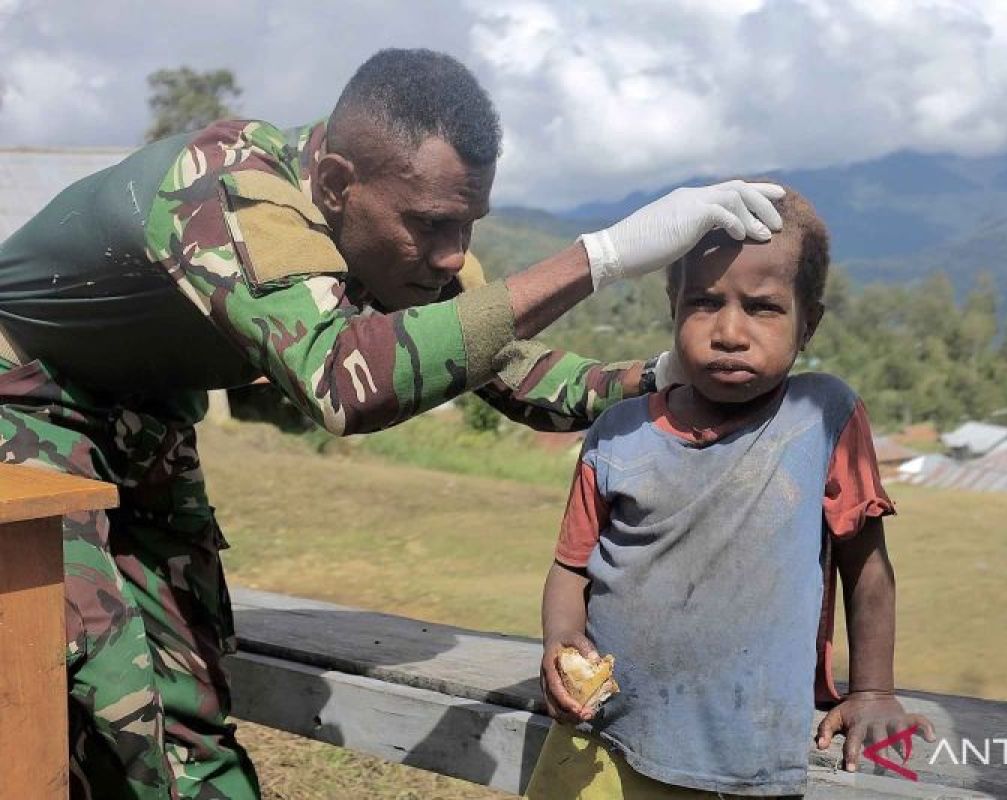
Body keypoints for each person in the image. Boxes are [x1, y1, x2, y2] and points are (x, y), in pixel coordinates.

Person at [0, 48, 786, 799]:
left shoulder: (395, 239)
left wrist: (660, 374)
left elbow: (517, 373)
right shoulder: (229, 190)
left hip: (141, 416)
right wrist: (603, 255)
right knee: (92, 685)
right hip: (22, 403)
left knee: (191, 704)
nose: (453, 256)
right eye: (432, 224)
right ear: (338, 183)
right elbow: (345, 385)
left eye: (469, 225)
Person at [527, 186, 934, 798]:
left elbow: (866, 567)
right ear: (672, 308)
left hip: (748, 750)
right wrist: (561, 642)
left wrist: (872, 690)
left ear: (809, 323)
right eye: (704, 302)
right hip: (603, 734)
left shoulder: (824, 416)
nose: (729, 331)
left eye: (764, 307)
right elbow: (571, 566)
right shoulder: (619, 432)